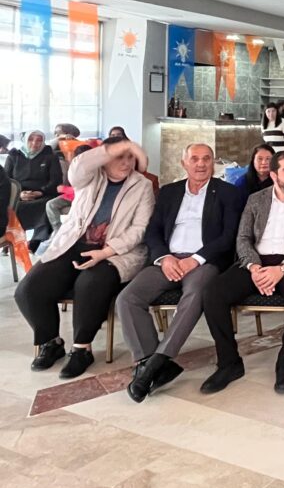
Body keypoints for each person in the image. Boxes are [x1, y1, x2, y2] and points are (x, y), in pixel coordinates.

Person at [15, 138, 155, 378]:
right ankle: (51, 342)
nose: (126, 163)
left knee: (89, 284)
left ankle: (82, 349)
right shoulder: (89, 176)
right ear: (105, 157)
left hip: (116, 251)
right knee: (28, 290)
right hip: (73, 243)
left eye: (130, 157)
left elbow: (139, 229)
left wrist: (105, 252)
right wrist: (117, 148)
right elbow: (78, 166)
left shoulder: (142, 185)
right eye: (119, 157)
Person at [118, 143, 244, 402]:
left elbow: (228, 236)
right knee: (127, 298)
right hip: (168, 260)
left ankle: (156, 363)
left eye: (206, 159)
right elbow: (153, 231)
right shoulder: (169, 192)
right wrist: (164, 258)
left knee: (196, 294)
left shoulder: (228, 193)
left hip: (204, 262)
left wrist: (195, 259)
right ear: (183, 163)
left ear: (213, 164)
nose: (201, 164)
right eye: (194, 159)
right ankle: (148, 360)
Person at [199, 151, 284, 395]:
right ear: (273, 175)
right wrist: (254, 267)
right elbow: (243, 238)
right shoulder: (256, 199)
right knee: (213, 293)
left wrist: (283, 267)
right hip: (257, 261)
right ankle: (229, 363)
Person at [5, 130, 62, 250]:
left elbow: (56, 180)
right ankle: (13, 241)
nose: (34, 143)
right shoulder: (14, 156)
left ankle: (35, 243)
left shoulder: (50, 156)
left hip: (44, 194)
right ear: (25, 140)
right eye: (31, 139)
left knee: (47, 206)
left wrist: (41, 192)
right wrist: (19, 194)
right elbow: (7, 180)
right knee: (15, 207)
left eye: (39, 140)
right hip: (19, 194)